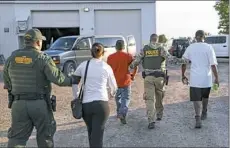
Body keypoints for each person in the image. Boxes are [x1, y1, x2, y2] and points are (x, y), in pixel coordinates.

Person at [3, 28, 75, 148]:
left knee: (17, 139)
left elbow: (7, 82)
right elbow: (59, 79)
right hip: (39, 103)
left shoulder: (12, 58)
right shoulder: (42, 58)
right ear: (37, 42)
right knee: (45, 137)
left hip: (18, 104)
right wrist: (73, 80)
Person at [129, 33, 181, 129]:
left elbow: (136, 61)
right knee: (159, 96)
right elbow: (171, 59)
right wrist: (182, 61)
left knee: (149, 99)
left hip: (148, 78)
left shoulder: (145, 49)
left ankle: (151, 120)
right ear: (157, 40)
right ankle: (159, 114)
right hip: (160, 78)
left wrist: (130, 66)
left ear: (150, 40)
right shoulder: (161, 49)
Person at [72, 43, 117, 148]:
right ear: (103, 53)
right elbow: (114, 87)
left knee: (91, 133)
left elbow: (74, 81)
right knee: (98, 136)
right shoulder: (106, 67)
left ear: (91, 52)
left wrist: (76, 95)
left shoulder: (83, 65)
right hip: (101, 104)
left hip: (86, 105)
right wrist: (111, 94)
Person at [181, 30, 219, 128]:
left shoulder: (190, 47)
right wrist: (217, 78)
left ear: (195, 37)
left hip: (195, 79)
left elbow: (184, 62)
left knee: (196, 99)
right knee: (205, 97)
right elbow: (213, 65)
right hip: (206, 78)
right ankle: (204, 112)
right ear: (204, 37)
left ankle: (198, 118)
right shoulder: (209, 47)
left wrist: (183, 75)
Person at [107, 40, 138, 124]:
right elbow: (135, 66)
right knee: (126, 98)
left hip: (115, 82)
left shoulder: (110, 57)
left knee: (117, 98)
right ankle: (122, 113)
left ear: (116, 47)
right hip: (125, 80)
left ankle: (119, 112)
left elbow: (108, 70)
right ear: (124, 47)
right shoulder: (128, 56)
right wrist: (133, 75)